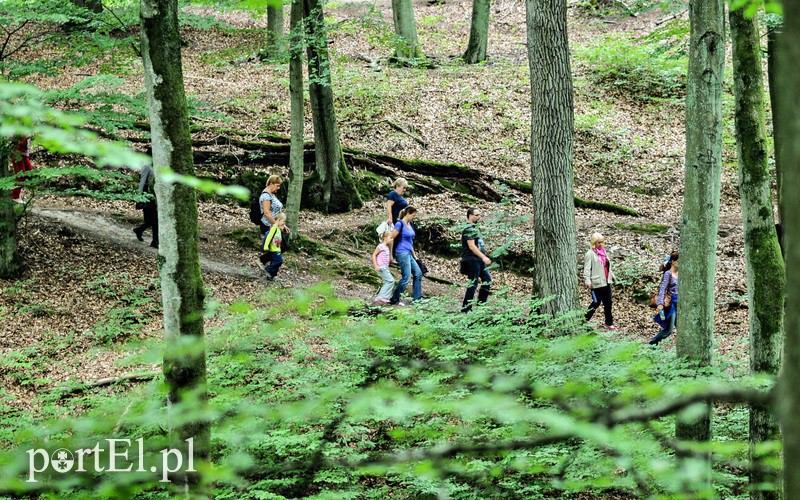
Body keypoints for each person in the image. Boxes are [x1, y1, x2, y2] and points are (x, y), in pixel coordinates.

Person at [460, 207, 492, 313]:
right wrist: (484, 257)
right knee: (473, 283)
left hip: (478, 260)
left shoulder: (474, 228)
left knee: (487, 280)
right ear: (470, 216)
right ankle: (466, 308)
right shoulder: (468, 229)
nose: (479, 217)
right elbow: (472, 246)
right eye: (477, 215)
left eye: (479, 215)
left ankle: (481, 306)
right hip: (471, 259)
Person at [389, 206, 422, 306]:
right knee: (406, 277)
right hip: (401, 252)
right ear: (407, 213)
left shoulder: (410, 225)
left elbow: (410, 241)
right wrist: (390, 255)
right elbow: (391, 237)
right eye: (413, 215)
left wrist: (414, 255)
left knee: (418, 273)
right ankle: (395, 298)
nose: (413, 217)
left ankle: (417, 299)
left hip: (409, 253)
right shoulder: (400, 224)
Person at [583, 232, 616, 330]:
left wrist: (612, 276)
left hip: (606, 281)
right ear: (594, 243)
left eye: (602, 242)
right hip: (596, 283)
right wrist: (587, 281)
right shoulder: (590, 254)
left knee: (608, 303)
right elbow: (587, 269)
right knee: (596, 303)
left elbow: (607, 267)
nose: (601, 244)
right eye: (599, 242)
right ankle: (584, 320)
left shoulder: (604, 252)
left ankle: (609, 323)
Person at [649, 253, 679, 345]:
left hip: (679, 304)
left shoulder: (681, 274)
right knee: (669, 330)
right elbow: (663, 289)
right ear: (673, 262)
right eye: (679, 261)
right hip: (670, 305)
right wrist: (660, 303)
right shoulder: (668, 274)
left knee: (681, 327)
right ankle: (651, 344)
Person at [133, 163, 158, 249]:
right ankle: (155, 241)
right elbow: (142, 182)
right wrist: (139, 197)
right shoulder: (147, 166)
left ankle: (139, 230)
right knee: (154, 219)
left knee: (153, 220)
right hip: (146, 196)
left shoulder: (156, 166)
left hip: (153, 196)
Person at [371, 230, 396, 305]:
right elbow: (374, 255)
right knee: (391, 281)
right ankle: (382, 297)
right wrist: (376, 265)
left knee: (387, 281)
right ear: (385, 238)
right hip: (381, 267)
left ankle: (382, 297)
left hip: (385, 267)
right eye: (390, 237)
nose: (392, 239)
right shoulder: (380, 246)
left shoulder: (386, 247)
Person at [263, 212, 287, 283]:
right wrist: (266, 246)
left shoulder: (278, 229)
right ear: (279, 220)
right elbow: (269, 237)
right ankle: (267, 269)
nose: (284, 223)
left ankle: (271, 276)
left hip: (277, 249)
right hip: (274, 249)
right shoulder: (274, 228)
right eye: (283, 221)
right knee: (279, 261)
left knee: (275, 262)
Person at [11, 135, 34, 203]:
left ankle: (15, 192)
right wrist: (26, 136)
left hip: (24, 154)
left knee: (30, 172)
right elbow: (14, 139)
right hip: (17, 154)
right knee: (20, 175)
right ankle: (15, 197)